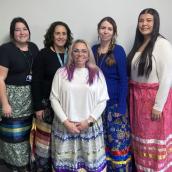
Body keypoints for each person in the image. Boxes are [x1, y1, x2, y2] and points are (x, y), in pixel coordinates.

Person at [50, 39, 109, 172]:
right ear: (71, 53)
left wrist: (89, 121)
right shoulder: (61, 73)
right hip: (66, 128)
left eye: (84, 51)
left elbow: (103, 100)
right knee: (66, 166)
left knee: (91, 166)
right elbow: (54, 99)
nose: (80, 54)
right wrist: (66, 122)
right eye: (76, 51)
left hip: (89, 128)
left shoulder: (97, 73)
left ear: (88, 54)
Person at [128, 8, 172, 171]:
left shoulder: (162, 44)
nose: (144, 24)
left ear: (156, 23)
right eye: (141, 20)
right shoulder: (140, 43)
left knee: (154, 143)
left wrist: (158, 106)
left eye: (148, 20)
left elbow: (167, 78)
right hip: (137, 100)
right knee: (141, 140)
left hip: (153, 101)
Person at [31, 21, 73, 171]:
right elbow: (35, 82)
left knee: (61, 143)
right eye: (57, 33)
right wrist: (38, 107)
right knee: (44, 144)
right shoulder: (43, 54)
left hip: (67, 106)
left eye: (64, 33)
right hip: (46, 106)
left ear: (67, 36)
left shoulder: (72, 54)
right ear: (52, 35)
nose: (61, 36)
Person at [92, 17, 132, 171]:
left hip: (115, 104)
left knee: (117, 143)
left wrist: (122, 106)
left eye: (109, 28)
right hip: (97, 105)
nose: (105, 31)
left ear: (114, 32)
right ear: (98, 30)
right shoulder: (93, 50)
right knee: (101, 142)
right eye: (103, 27)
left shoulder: (118, 50)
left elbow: (124, 79)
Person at [0, 17, 39, 172]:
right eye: (17, 29)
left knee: (27, 136)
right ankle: (16, 168)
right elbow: (0, 79)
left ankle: (26, 165)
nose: (22, 32)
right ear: (12, 33)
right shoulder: (5, 49)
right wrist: (5, 104)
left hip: (30, 100)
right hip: (12, 102)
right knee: (14, 139)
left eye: (24, 28)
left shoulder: (34, 48)